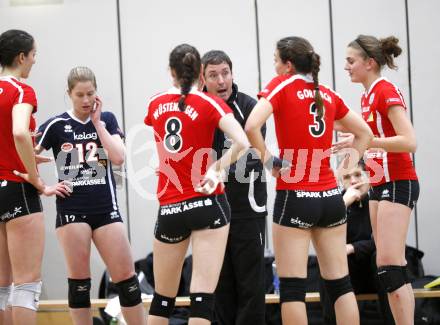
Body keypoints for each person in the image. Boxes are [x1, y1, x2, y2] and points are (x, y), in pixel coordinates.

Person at [245, 36, 373, 325]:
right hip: (330, 197)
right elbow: (364, 133)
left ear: (288, 65)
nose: (275, 66)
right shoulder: (325, 92)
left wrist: (270, 162)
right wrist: (346, 170)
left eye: (276, 60)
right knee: (341, 284)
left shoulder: (281, 86)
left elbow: (252, 125)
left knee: (292, 291)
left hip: (295, 196)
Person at [144, 44, 249, 325]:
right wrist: (217, 168)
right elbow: (243, 142)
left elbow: (161, 140)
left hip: (169, 206)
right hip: (206, 201)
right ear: (201, 74)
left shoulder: (154, 102)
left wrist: (162, 161)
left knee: (162, 299)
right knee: (202, 298)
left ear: (171, 71)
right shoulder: (210, 102)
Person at [35, 66, 146, 325]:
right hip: (72, 211)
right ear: (69, 94)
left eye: (90, 94)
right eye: (80, 95)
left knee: (127, 280)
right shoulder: (56, 124)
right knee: (80, 283)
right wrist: (44, 187)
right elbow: (24, 154)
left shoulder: (106, 118)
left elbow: (119, 157)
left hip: (106, 209)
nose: (86, 100)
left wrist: (97, 124)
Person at [340, 35, 419, 325]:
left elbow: (409, 142)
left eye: (351, 61)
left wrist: (369, 139)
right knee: (389, 265)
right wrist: (357, 140)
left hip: (398, 181)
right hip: (379, 183)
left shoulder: (385, 90)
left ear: (369, 63)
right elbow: (377, 140)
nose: (346, 67)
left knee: (389, 267)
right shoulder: (367, 95)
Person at [0, 29, 70, 325]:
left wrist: (24, 156)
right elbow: (18, 131)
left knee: (2, 287)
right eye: (33, 55)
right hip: (17, 188)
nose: (34, 60)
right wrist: (34, 176)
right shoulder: (21, 90)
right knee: (26, 286)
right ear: (21, 57)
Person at [201, 50, 267, 325]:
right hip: (210, 210)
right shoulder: (197, 110)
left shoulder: (250, 108)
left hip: (247, 210)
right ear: (202, 79)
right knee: (220, 287)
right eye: (213, 75)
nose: (221, 80)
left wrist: (217, 169)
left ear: (232, 73)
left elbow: (251, 153)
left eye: (225, 73)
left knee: (251, 287)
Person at [319, 161, 394, 324]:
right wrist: (343, 204)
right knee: (329, 262)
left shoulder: (381, 201)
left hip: (377, 273)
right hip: (349, 275)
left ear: (369, 176)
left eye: (358, 175)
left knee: (380, 256)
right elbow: (323, 240)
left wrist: (352, 247)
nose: (353, 181)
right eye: (347, 177)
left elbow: (385, 242)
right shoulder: (337, 204)